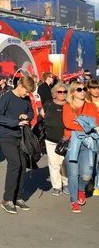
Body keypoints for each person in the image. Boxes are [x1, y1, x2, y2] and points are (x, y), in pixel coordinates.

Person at [0, 76, 35, 214]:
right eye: (26, 91)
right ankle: (7, 199)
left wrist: (26, 116)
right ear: (20, 85)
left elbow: (31, 112)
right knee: (15, 164)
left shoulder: (26, 99)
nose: (27, 94)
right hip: (7, 136)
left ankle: (18, 197)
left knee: (22, 166)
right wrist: (15, 122)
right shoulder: (7, 97)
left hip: (21, 137)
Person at [63, 81, 99, 213]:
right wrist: (86, 123)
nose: (83, 91)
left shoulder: (91, 106)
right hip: (71, 142)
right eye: (79, 89)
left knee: (87, 176)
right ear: (72, 92)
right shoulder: (67, 107)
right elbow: (67, 123)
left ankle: (81, 189)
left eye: (84, 89)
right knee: (73, 173)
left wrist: (78, 122)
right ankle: (74, 201)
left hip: (88, 142)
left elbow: (95, 122)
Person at [43, 83, 69, 196]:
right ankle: (57, 186)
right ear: (54, 94)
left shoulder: (69, 105)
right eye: (60, 92)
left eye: (65, 92)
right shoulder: (48, 104)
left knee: (65, 163)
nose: (63, 94)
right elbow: (42, 116)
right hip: (50, 139)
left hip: (66, 139)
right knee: (54, 164)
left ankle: (67, 184)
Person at [86, 79, 99, 196]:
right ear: (89, 89)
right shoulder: (85, 102)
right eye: (94, 88)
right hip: (89, 135)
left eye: (98, 88)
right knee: (90, 162)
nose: (96, 90)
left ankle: (97, 185)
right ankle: (90, 180)